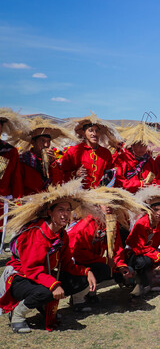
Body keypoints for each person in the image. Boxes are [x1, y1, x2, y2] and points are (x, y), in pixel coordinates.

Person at [0, 180, 98, 333]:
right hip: (21, 277)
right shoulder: (36, 233)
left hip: (42, 276)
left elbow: (66, 265)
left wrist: (86, 272)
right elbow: (32, 269)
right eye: (60, 209)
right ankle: (18, 315)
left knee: (79, 279)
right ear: (50, 212)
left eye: (68, 210)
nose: (65, 214)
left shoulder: (62, 235)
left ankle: (45, 306)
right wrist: (54, 285)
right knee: (46, 291)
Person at [126, 186, 160, 297]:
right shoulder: (141, 224)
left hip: (152, 254)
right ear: (149, 210)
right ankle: (139, 282)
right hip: (134, 255)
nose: (158, 213)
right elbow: (140, 247)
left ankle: (150, 281)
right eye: (155, 210)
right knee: (144, 261)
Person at [60, 114, 120, 189]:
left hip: (99, 195)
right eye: (90, 130)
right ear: (83, 133)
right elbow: (62, 173)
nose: (94, 134)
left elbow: (108, 175)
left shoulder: (105, 153)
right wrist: (75, 173)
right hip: (78, 194)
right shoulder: (73, 151)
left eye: (97, 131)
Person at [19, 117, 71, 196]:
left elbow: (59, 183)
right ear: (33, 142)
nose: (46, 145)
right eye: (42, 140)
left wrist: (53, 164)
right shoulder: (22, 160)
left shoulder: (53, 161)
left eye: (48, 141)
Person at [114, 122, 160, 193]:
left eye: (144, 144)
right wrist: (139, 184)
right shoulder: (122, 159)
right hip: (127, 196)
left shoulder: (149, 160)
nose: (142, 148)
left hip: (147, 196)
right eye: (138, 144)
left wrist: (151, 187)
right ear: (132, 144)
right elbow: (118, 181)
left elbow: (157, 179)